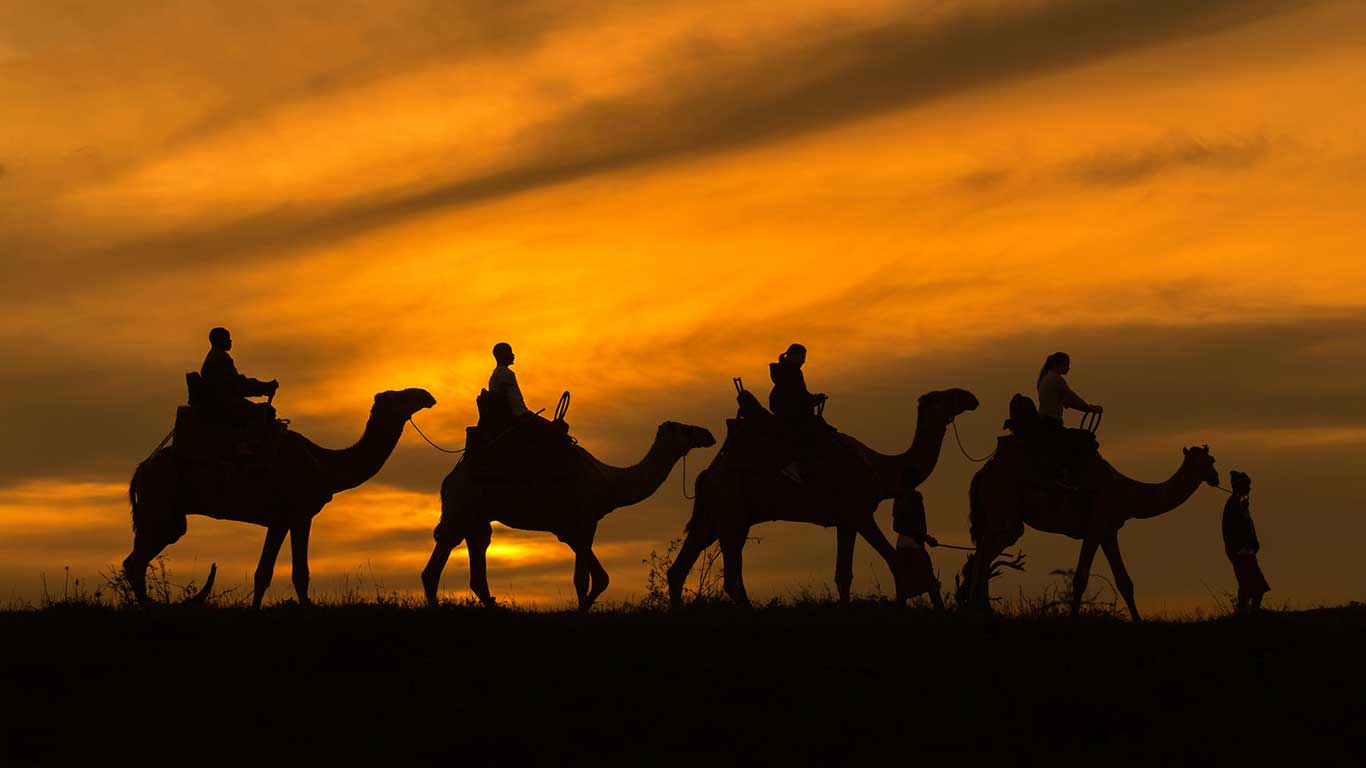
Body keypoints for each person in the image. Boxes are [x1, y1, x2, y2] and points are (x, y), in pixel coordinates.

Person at [200, 327, 278, 456]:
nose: (231, 341)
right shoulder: (220, 358)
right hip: (223, 402)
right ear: (220, 340)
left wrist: (262, 387)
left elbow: (237, 383)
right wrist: (264, 388)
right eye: (227, 338)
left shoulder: (216, 356)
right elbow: (238, 385)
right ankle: (247, 446)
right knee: (259, 412)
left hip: (222, 399)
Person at [769, 343, 829, 483]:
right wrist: (814, 400)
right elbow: (799, 397)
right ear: (793, 356)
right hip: (791, 416)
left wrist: (814, 399)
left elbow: (801, 395)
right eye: (802, 357)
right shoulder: (792, 373)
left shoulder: (786, 372)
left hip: (789, 413)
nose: (804, 361)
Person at [1222, 470, 1270, 612]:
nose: (1249, 488)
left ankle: (1246, 613)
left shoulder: (1238, 503)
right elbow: (1235, 530)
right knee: (1252, 586)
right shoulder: (1233, 504)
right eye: (1247, 485)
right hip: (1241, 551)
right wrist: (1246, 544)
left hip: (1244, 550)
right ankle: (1249, 614)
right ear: (1240, 486)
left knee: (1250, 586)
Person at [892, 490, 944, 610]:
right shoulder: (915, 497)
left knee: (903, 590)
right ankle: (943, 617)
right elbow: (916, 526)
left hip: (901, 546)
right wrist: (925, 537)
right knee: (931, 586)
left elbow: (896, 526)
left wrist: (924, 537)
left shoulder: (898, 497)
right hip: (914, 547)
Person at [1036, 352, 1102, 426]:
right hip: (1051, 423)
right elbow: (1071, 398)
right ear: (1058, 365)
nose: (1068, 368)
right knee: (1086, 436)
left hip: (1045, 421)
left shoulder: (1046, 378)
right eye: (1066, 365)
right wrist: (1089, 408)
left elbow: (1068, 400)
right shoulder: (1056, 379)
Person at [489, 342, 531, 418]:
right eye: (509, 352)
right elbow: (502, 396)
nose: (513, 355)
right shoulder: (504, 372)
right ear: (502, 355)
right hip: (519, 414)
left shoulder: (496, 373)